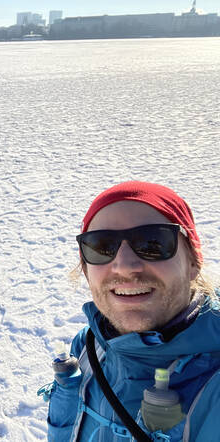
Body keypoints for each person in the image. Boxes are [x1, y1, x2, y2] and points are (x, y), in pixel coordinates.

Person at [40, 181, 220, 442]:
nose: (124, 266)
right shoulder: (88, 344)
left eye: (153, 242)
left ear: (193, 262)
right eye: (101, 246)